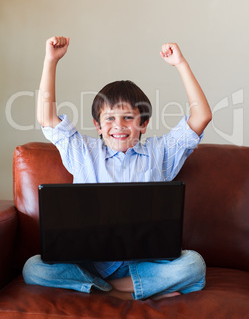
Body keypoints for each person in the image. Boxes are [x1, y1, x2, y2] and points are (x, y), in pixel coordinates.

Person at [23, 36, 212, 300]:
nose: (119, 126)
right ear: (98, 126)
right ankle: (130, 290)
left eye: (128, 118)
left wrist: (180, 63)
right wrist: (51, 60)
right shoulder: (83, 151)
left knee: (193, 264)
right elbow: (46, 117)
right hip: (90, 261)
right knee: (34, 268)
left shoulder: (161, 152)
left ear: (143, 124)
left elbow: (201, 116)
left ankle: (106, 290)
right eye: (109, 118)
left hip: (143, 261)